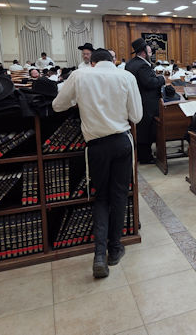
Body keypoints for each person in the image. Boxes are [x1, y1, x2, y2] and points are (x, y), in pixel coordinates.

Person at [52, 49, 142, 278]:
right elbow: (137, 116)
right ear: (113, 61)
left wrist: (79, 101)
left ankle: (99, 255)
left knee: (101, 197)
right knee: (119, 195)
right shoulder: (126, 76)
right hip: (121, 142)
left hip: (96, 145)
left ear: (92, 62)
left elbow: (57, 106)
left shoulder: (79, 75)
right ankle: (115, 249)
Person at [125, 38, 165, 164]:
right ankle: (145, 157)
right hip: (147, 102)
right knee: (146, 130)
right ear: (143, 53)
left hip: (136, 100)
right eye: (150, 52)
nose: (151, 54)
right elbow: (149, 83)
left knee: (139, 129)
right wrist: (161, 79)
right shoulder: (142, 65)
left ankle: (140, 154)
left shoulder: (130, 63)